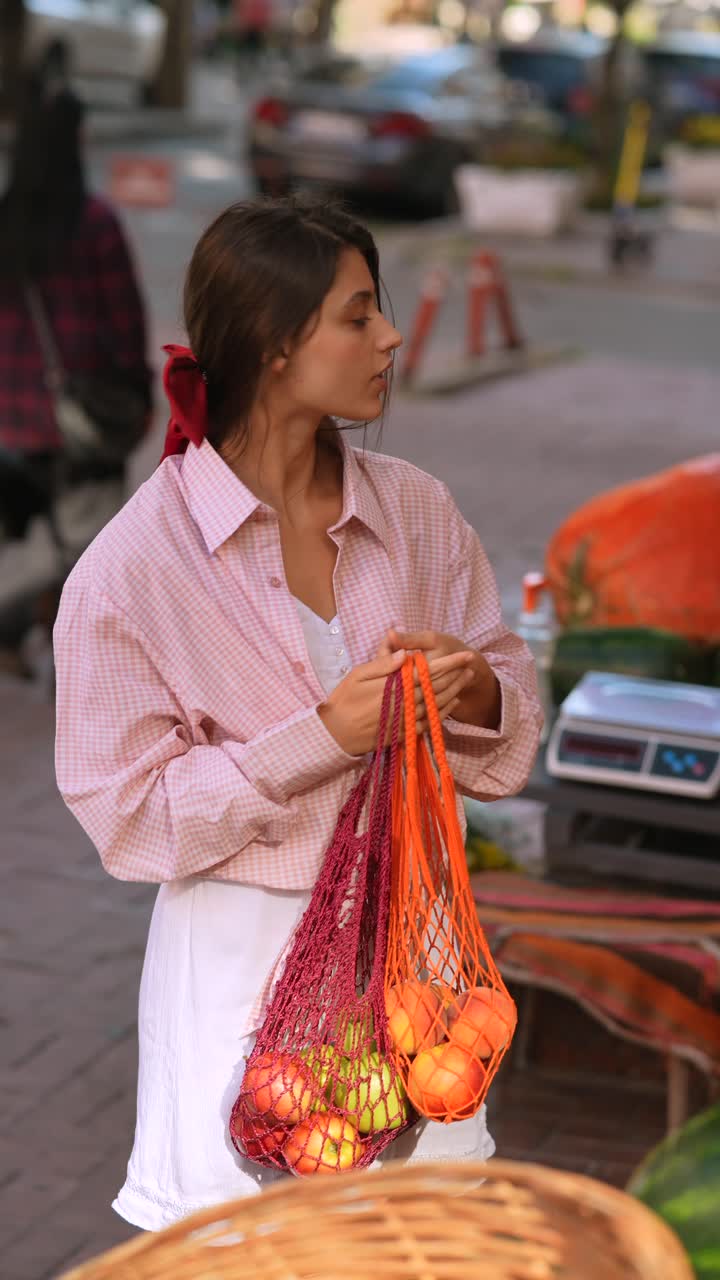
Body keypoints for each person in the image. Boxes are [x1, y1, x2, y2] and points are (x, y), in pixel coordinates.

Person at [53, 196, 542, 1230]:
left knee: (418, 1240)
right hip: (242, 978)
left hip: (418, 977)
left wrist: (477, 686)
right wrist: (319, 740)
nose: (393, 336)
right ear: (278, 346)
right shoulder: (135, 569)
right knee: (250, 1248)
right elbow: (130, 816)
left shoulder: (414, 511)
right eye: (358, 315)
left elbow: (508, 719)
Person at [0, 73, 152, 615]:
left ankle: (22, 636)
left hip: (8, 428)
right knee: (85, 570)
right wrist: (136, 404)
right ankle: (62, 662)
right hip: (80, 427)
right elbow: (126, 328)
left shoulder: (5, 220)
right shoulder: (95, 224)